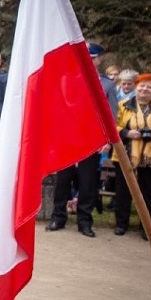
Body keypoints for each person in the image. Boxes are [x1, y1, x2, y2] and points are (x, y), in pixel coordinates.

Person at [46, 42, 118, 237]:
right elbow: (57, 111)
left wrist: (107, 140)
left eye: (92, 58)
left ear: (98, 60)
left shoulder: (106, 84)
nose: (88, 60)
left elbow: (111, 115)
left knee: (88, 183)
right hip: (67, 139)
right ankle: (58, 217)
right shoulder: (65, 79)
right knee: (63, 180)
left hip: (91, 140)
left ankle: (84, 221)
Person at [112, 73, 151, 240]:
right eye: (142, 86)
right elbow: (112, 125)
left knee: (148, 193)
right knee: (123, 191)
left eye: (149, 87)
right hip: (126, 154)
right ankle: (121, 224)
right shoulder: (123, 105)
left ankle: (147, 227)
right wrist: (126, 132)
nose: (145, 89)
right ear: (136, 87)